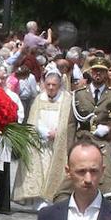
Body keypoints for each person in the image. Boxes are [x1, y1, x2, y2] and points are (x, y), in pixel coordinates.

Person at [13, 72, 74, 207]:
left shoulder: (67, 99)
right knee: (41, 171)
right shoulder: (39, 99)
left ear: (60, 85)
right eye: (48, 85)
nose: (51, 88)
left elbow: (68, 122)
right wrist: (44, 132)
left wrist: (58, 133)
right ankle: (40, 201)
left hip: (59, 143)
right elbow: (33, 120)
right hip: (41, 142)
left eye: (54, 85)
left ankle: (56, 198)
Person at [72, 56, 111, 135]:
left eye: (102, 71)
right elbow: (72, 123)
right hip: (83, 139)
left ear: (106, 73)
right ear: (91, 72)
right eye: (95, 70)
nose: (98, 73)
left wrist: (108, 128)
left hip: (104, 141)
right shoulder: (79, 94)